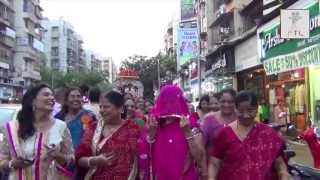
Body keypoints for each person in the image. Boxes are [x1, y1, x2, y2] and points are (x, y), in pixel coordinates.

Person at [208, 91, 289, 180]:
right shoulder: (225, 133)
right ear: (235, 109)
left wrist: (283, 174)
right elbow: (214, 163)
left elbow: (280, 163)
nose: (245, 115)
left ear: (257, 109)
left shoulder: (268, 133)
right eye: (241, 111)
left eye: (250, 110)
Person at [0, 84, 74, 180]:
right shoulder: (11, 128)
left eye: (52, 95)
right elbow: (2, 160)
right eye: (46, 95)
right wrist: (13, 163)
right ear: (33, 101)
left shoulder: (61, 126)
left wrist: (57, 156)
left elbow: (71, 159)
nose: (52, 98)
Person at [137, 85, 207, 180]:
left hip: (184, 176)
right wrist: (152, 134)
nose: (169, 106)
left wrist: (187, 132)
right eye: (166, 102)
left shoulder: (189, 122)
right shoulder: (154, 122)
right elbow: (144, 154)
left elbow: (199, 158)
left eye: (173, 101)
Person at [76, 91, 140, 180]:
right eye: (100, 107)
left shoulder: (133, 129)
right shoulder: (93, 128)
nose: (102, 110)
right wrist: (95, 160)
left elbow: (142, 156)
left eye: (106, 107)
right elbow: (80, 158)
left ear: (121, 109)